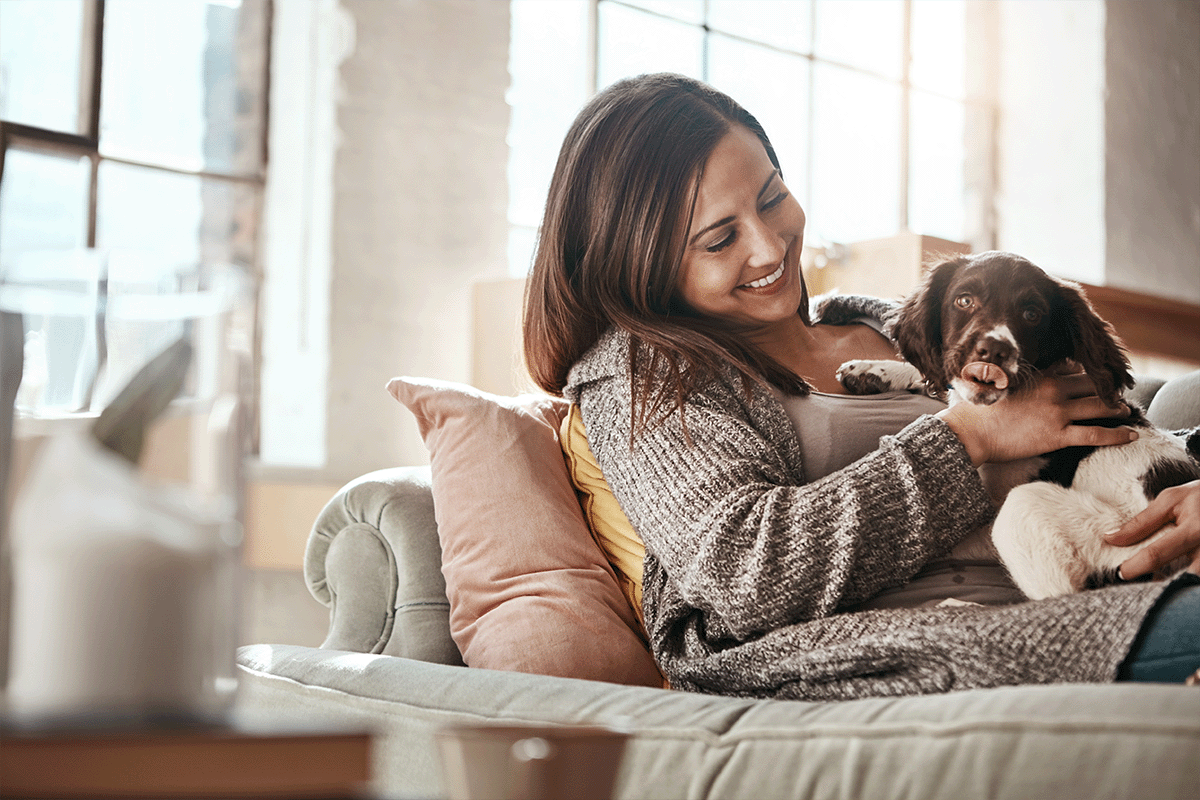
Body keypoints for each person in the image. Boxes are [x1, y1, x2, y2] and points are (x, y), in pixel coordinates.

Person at [522, 73, 1200, 700]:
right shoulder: (641, 377)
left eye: (772, 198)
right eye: (720, 240)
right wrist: (967, 438)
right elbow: (744, 574)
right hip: (971, 632)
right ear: (641, 265)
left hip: (1112, 551)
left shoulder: (888, 323)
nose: (770, 247)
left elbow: (1116, 440)